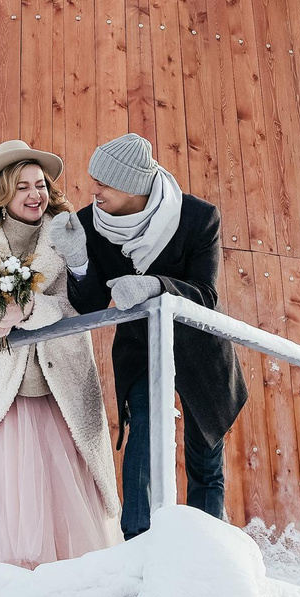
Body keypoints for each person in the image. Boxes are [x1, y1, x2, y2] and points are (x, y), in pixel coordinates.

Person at [0, 139, 121, 570]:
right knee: (8, 507)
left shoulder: (67, 235)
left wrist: (29, 307)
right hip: (4, 398)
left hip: (60, 394)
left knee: (65, 505)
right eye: (22, 186)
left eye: (40, 184)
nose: (35, 194)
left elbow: (82, 303)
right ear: (2, 194)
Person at [67, 133, 249, 538]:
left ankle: (205, 546)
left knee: (204, 454)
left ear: (134, 186)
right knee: (145, 438)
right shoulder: (87, 224)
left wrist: (156, 287)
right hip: (139, 347)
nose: (93, 189)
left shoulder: (198, 218)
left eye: (104, 182)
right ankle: (139, 543)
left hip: (200, 349)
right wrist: (78, 262)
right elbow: (90, 305)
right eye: (93, 179)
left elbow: (206, 294)